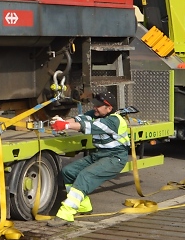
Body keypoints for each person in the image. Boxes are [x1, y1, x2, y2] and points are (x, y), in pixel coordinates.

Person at [48, 90, 131, 225]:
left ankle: (66, 213)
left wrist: (65, 125)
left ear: (109, 108)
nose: (94, 108)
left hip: (115, 158)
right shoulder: (97, 114)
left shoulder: (113, 121)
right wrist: (62, 121)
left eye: (98, 106)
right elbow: (80, 119)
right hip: (100, 155)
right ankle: (83, 205)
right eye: (94, 105)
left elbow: (88, 126)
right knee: (68, 172)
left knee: (85, 176)